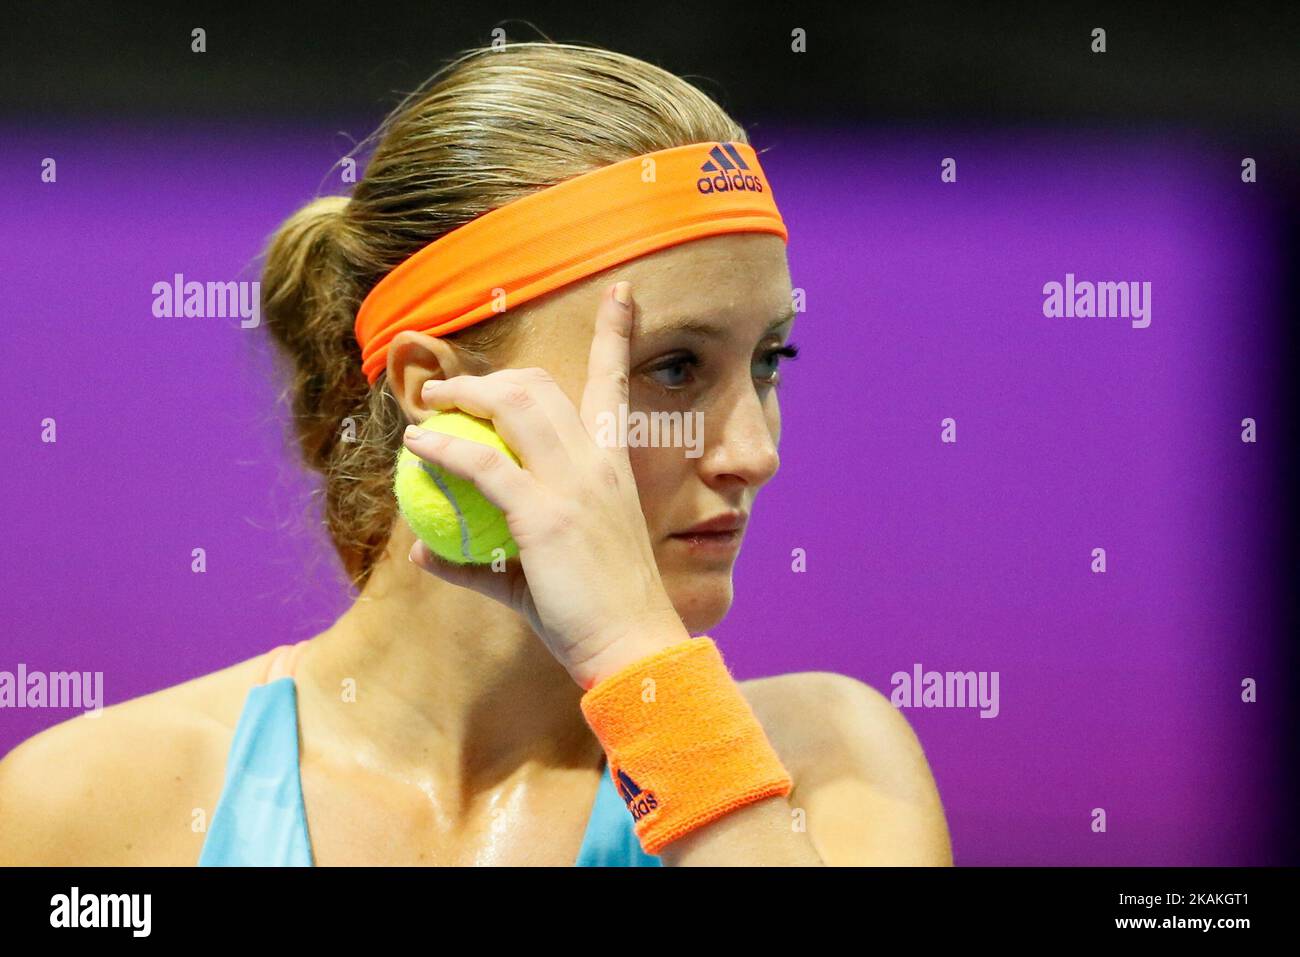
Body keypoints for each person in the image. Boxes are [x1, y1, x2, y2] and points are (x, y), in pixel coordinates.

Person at [0, 41, 952, 866]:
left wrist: (636, 658)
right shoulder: (89, 806)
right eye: (672, 366)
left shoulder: (825, 764)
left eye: (769, 359)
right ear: (434, 388)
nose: (753, 450)